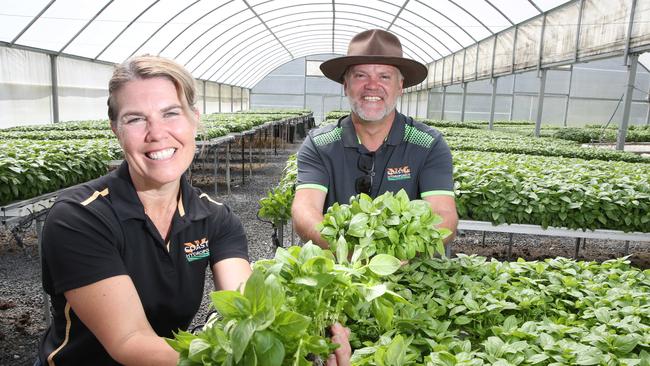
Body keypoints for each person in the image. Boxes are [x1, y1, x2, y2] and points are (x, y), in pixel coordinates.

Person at [35, 55, 350, 366]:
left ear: (194, 118)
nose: (156, 133)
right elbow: (130, 342)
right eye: (135, 118)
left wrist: (310, 341)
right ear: (116, 129)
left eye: (170, 113)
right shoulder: (80, 217)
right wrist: (234, 356)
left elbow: (246, 304)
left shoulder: (214, 218)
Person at [292, 29, 459, 250]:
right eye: (361, 75)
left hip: (411, 273)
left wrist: (403, 253)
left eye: (384, 76)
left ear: (400, 86)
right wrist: (347, 251)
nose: (372, 85)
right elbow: (305, 209)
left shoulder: (427, 144)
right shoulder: (321, 144)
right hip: (338, 271)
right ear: (346, 85)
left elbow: (444, 214)